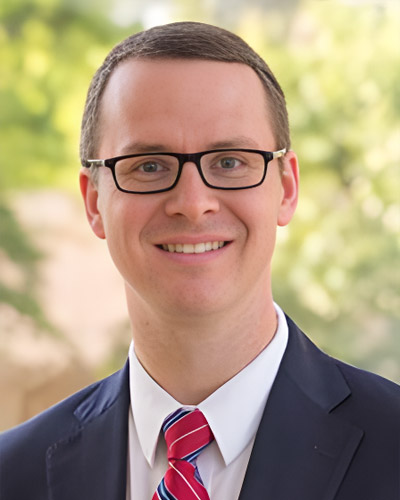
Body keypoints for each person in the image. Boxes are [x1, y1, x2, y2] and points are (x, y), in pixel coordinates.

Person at [0, 21, 399, 500]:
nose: (192, 202)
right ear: (93, 202)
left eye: (230, 162)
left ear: (287, 189)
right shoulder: (12, 474)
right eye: (149, 166)